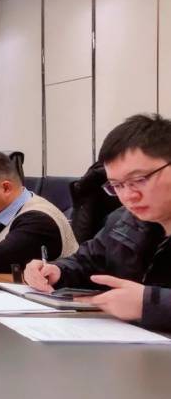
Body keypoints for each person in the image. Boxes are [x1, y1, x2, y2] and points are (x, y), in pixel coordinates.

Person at [24, 114, 171, 330]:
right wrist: (57, 271)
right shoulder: (123, 221)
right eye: (117, 185)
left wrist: (149, 304)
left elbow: (146, 302)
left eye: (139, 180)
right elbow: (87, 263)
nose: (128, 196)